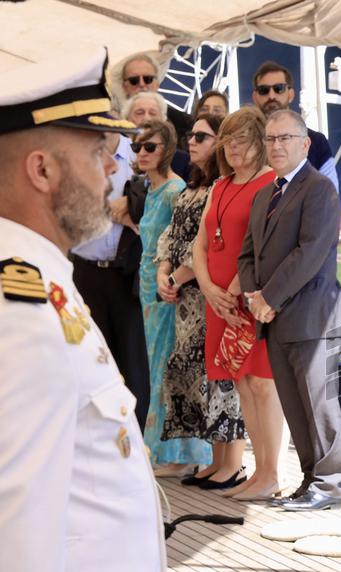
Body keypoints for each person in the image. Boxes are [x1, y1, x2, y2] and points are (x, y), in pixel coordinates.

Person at [0, 48, 177, 572]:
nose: (112, 168)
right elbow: (14, 536)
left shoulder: (44, 284)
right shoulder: (21, 312)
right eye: (97, 151)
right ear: (42, 169)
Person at [237, 109, 341, 511]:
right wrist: (255, 296)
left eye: (285, 138)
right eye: (270, 139)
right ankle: (309, 481)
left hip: (313, 317)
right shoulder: (264, 194)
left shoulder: (319, 189)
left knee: (318, 405)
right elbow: (249, 253)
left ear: (304, 144)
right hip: (276, 318)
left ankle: (332, 484)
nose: (276, 146)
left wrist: (268, 298)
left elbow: (310, 252)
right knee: (294, 403)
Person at [193, 106, 284, 498]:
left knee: (263, 384)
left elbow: (263, 245)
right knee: (241, 383)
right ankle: (258, 473)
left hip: (248, 298)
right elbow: (201, 242)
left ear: (259, 142)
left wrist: (231, 290)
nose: (232, 148)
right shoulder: (219, 185)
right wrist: (208, 289)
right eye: (227, 140)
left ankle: (271, 472)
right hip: (219, 300)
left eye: (242, 140)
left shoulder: (270, 182)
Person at [156, 113, 249, 485]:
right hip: (186, 299)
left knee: (222, 378)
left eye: (201, 136)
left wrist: (178, 278)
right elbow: (172, 235)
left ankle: (232, 464)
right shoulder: (192, 188)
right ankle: (214, 459)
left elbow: (209, 244)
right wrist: (165, 273)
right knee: (201, 377)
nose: (191, 141)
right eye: (189, 135)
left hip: (206, 292)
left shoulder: (221, 188)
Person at [134, 120, 211, 474]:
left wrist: (170, 279)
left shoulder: (174, 189)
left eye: (150, 147)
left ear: (166, 149)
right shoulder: (152, 191)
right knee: (153, 366)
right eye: (138, 147)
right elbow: (156, 240)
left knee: (167, 366)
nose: (142, 153)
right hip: (151, 288)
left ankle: (174, 453)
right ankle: (160, 448)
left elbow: (182, 241)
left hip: (170, 292)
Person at [70, 125, 151, 431]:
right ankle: (99, 436)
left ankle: (137, 441)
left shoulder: (139, 149)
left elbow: (155, 202)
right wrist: (112, 211)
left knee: (132, 361)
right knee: (90, 359)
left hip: (126, 272)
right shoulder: (79, 145)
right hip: (85, 269)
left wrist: (132, 206)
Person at [251, 61, 339, 190]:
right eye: (264, 90)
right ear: (255, 96)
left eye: (279, 88)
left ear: (291, 94)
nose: (271, 95)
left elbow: (331, 194)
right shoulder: (245, 142)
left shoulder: (316, 141)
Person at [117, 52, 194, 149]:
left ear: (157, 83)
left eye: (148, 79)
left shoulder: (184, 123)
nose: (141, 84)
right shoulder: (111, 128)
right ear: (124, 86)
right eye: (134, 80)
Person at [123, 92, 191, 181]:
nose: (147, 118)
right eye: (140, 113)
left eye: (152, 113)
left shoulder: (181, 160)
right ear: (127, 119)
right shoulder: (115, 151)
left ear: (163, 119)